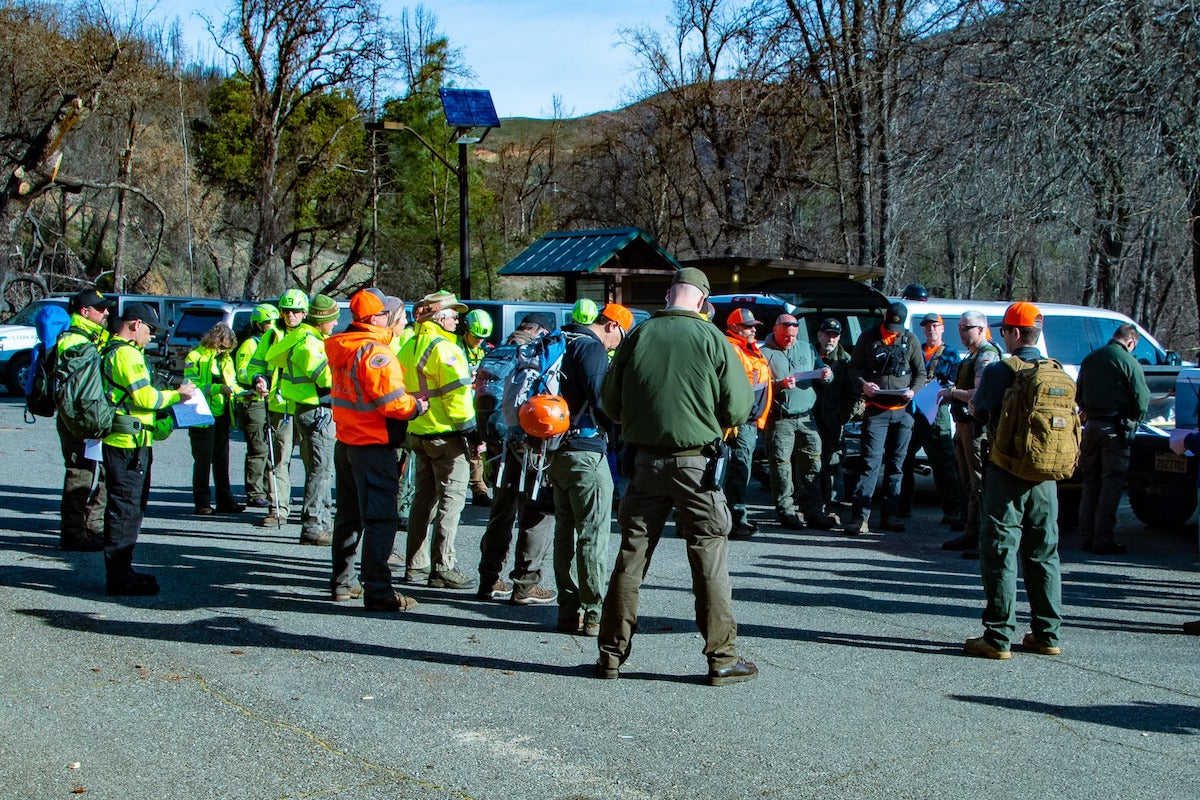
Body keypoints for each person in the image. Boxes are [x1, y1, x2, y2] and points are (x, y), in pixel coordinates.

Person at [596, 267, 758, 686]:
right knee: (708, 556)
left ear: (668, 295)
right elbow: (739, 409)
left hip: (643, 463)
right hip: (696, 465)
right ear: (703, 302)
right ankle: (722, 658)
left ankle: (611, 655)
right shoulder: (714, 340)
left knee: (631, 556)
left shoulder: (638, 336)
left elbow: (610, 404)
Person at [965, 301, 1063, 659]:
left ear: (1016, 333)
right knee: (1043, 552)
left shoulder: (1000, 370)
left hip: (1007, 470)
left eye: (1004, 330)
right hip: (1046, 474)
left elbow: (982, 413)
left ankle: (997, 637)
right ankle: (1047, 635)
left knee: (1000, 550)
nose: (1002, 336)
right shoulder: (1056, 370)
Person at [326, 289, 428, 611]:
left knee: (348, 518)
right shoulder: (375, 352)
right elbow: (393, 403)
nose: (394, 318)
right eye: (387, 314)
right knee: (380, 520)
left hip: (347, 443)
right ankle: (379, 591)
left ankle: (343, 582)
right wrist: (417, 406)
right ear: (375, 319)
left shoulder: (345, 346)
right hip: (373, 445)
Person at [100, 303, 196, 595]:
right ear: (135, 324)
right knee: (126, 509)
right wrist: (176, 396)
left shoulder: (113, 349)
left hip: (126, 441)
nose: (151, 337)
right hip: (128, 445)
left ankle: (122, 570)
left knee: (127, 507)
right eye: (150, 330)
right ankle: (119, 576)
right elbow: (145, 397)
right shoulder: (127, 354)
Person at [548, 302, 631, 636]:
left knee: (564, 533)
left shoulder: (564, 342)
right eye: (620, 337)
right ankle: (593, 612)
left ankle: (567, 611)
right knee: (592, 535)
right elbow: (603, 401)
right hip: (587, 452)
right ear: (611, 325)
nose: (616, 345)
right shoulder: (592, 348)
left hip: (558, 450)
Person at [474, 312, 559, 607]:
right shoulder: (537, 352)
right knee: (535, 513)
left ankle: (489, 578)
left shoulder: (496, 352)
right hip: (531, 442)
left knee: (501, 510)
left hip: (500, 442)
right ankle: (525, 584)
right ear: (541, 330)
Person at [398, 290, 479, 591]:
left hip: (419, 433)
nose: (457, 321)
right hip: (447, 436)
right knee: (451, 501)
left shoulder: (409, 345)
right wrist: (471, 431)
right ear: (438, 317)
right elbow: (457, 395)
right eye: (453, 315)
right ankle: (443, 567)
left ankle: (415, 565)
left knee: (423, 500)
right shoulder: (445, 348)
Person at [259, 292, 337, 544]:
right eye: (332, 319)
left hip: (306, 409)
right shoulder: (308, 343)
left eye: (295, 311)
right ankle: (314, 524)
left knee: (321, 468)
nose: (335, 324)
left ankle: (322, 520)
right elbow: (327, 379)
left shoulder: (306, 337)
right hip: (313, 410)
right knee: (318, 468)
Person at [846, 302, 925, 534]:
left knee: (897, 464)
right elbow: (854, 368)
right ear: (884, 317)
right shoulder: (868, 338)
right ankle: (860, 517)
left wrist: (913, 390)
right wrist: (864, 385)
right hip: (876, 410)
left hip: (903, 413)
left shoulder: (910, 340)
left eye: (896, 328)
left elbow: (920, 372)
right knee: (870, 463)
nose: (892, 331)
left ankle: (890, 515)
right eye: (889, 326)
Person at [1076, 323, 1149, 555]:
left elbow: (1079, 394)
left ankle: (1085, 536)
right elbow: (1141, 399)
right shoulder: (1128, 362)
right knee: (1111, 483)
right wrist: (1134, 421)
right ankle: (1103, 538)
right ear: (1130, 342)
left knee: (1090, 484)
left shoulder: (1090, 359)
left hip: (1091, 428)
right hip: (1114, 429)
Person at [761, 313, 836, 530]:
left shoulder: (806, 348)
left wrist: (826, 374)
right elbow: (758, 386)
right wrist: (779, 384)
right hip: (780, 418)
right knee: (781, 468)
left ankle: (813, 511)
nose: (790, 340)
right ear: (776, 330)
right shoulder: (764, 353)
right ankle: (787, 512)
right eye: (786, 336)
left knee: (812, 464)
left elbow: (826, 375)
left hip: (807, 417)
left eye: (793, 336)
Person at [55, 289, 114, 551]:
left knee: (97, 472)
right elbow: (77, 394)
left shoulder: (92, 338)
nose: (106, 313)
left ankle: (89, 527)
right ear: (84, 312)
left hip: (87, 416)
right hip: (81, 419)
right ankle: (73, 533)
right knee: (80, 473)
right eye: (101, 309)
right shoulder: (75, 341)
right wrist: (91, 425)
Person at [940, 311, 1001, 558]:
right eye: (960, 328)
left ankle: (981, 538)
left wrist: (952, 393)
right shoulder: (973, 354)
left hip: (976, 430)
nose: (962, 333)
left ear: (981, 328)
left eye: (967, 328)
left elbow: (977, 393)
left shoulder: (987, 355)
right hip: (964, 426)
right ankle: (970, 531)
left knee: (979, 485)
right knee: (967, 483)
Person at [247, 289, 306, 529]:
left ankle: (313, 515)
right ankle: (278, 508)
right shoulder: (272, 335)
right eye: (286, 311)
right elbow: (254, 366)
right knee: (279, 461)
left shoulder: (311, 334)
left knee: (315, 465)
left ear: (305, 313)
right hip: (280, 407)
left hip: (309, 408)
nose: (290, 315)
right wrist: (258, 379)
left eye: (295, 311)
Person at [899, 313, 963, 526]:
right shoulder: (916, 350)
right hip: (911, 409)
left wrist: (942, 389)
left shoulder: (951, 354)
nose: (931, 330)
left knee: (943, 462)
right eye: (927, 327)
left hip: (936, 409)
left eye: (935, 326)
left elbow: (956, 382)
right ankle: (902, 507)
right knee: (903, 459)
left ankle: (953, 510)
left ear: (942, 328)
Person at [722, 308, 772, 537]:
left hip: (749, 421)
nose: (753, 330)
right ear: (733, 327)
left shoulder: (750, 349)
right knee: (736, 471)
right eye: (748, 326)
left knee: (739, 470)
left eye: (754, 326)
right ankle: (734, 520)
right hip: (737, 421)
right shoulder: (731, 348)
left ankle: (734, 518)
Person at [184, 323, 244, 515]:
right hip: (201, 416)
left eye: (227, 349)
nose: (224, 351)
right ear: (214, 341)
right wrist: (218, 389)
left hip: (222, 416)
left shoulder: (226, 360)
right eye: (222, 347)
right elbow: (191, 386)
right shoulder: (195, 357)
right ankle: (202, 502)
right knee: (203, 460)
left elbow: (232, 384)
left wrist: (248, 393)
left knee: (222, 460)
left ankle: (225, 501)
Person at [234, 304, 279, 508]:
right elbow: (242, 372)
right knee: (258, 448)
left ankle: (273, 491)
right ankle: (255, 492)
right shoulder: (250, 345)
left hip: (271, 402)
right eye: (267, 322)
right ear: (258, 324)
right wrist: (256, 381)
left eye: (274, 322)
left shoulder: (274, 342)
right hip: (253, 401)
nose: (271, 326)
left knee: (272, 449)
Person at [812, 318, 856, 510]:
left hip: (833, 419)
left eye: (834, 335)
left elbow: (854, 392)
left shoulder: (846, 361)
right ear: (819, 335)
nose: (830, 339)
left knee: (833, 461)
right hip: (809, 417)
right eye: (827, 334)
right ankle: (809, 502)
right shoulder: (808, 355)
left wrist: (845, 415)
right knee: (808, 460)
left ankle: (833, 505)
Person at [459, 308, 495, 506]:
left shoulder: (488, 349)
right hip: (460, 402)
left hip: (479, 403)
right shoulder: (455, 347)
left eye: (482, 337)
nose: (479, 340)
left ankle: (479, 488)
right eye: (476, 336)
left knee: (478, 447)